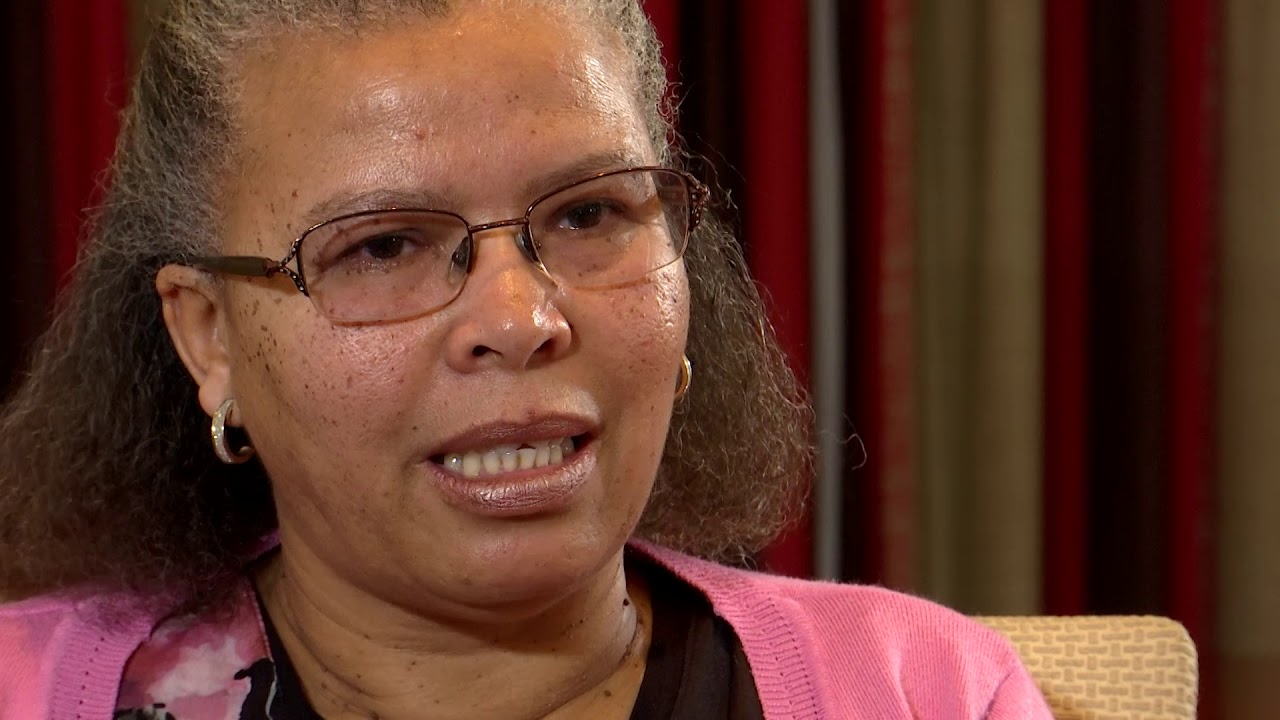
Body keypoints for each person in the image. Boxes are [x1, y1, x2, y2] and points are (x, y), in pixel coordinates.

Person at [0, 1, 1052, 717]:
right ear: (209, 336)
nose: (520, 317)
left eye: (589, 213)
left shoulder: (925, 691)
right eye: (382, 246)